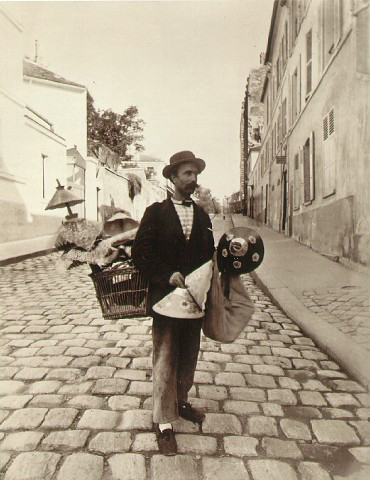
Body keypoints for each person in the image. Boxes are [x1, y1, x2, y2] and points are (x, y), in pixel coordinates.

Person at [132, 150, 214, 455]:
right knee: (165, 356)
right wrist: (167, 275)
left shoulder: (203, 215)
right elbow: (141, 253)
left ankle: (180, 402)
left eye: (195, 174)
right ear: (173, 177)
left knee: (189, 356)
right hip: (166, 300)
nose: (193, 180)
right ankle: (163, 423)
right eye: (187, 174)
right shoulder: (156, 212)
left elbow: (208, 257)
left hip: (194, 301)